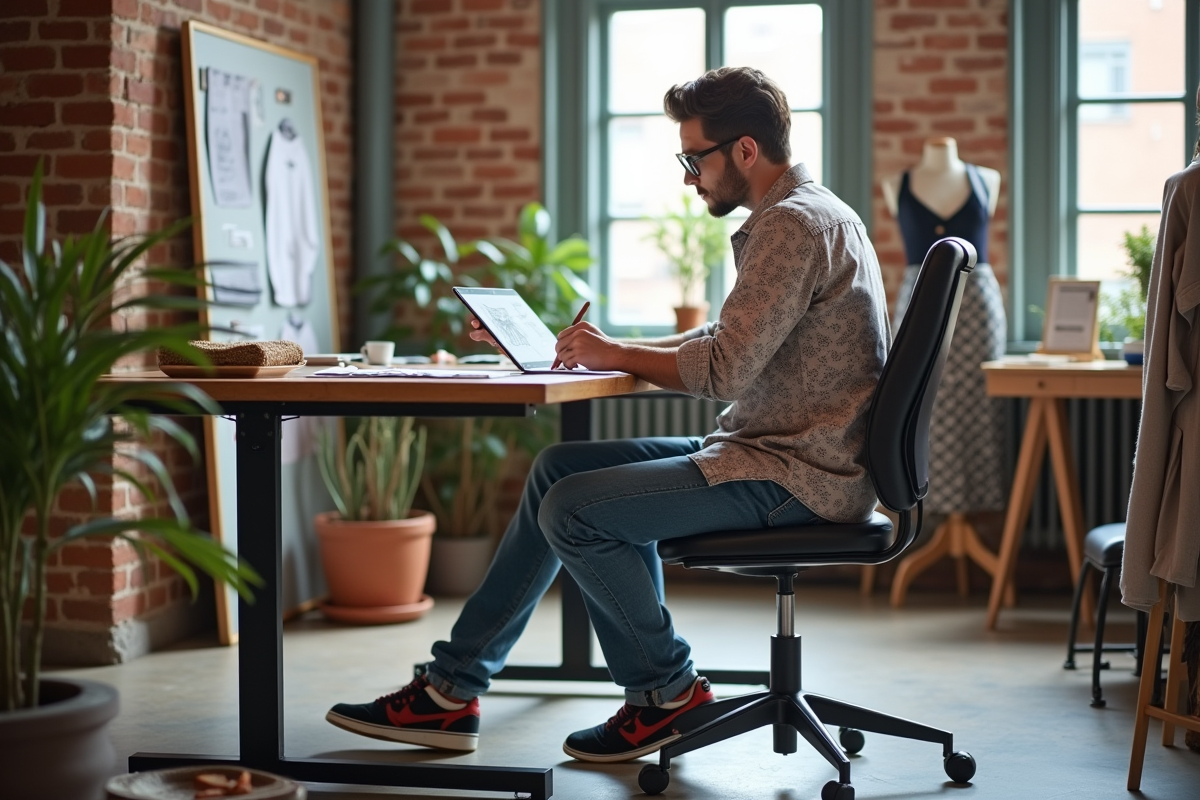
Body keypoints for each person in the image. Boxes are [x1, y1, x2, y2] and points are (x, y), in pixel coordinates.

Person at [326, 66, 891, 764]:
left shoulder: (792, 227)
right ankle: (450, 692)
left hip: (793, 475)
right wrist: (597, 351)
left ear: (745, 151)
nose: (690, 176)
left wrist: (614, 350)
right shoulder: (815, 211)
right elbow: (728, 345)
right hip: (786, 454)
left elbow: (723, 372)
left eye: (695, 157)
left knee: (576, 510)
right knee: (556, 470)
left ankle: (667, 692)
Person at [879, 137, 1008, 601]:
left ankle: (968, 522)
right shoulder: (898, 183)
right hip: (918, 301)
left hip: (976, 307)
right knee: (919, 408)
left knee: (977, 413)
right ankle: (931, 507)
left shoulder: (985, 180)